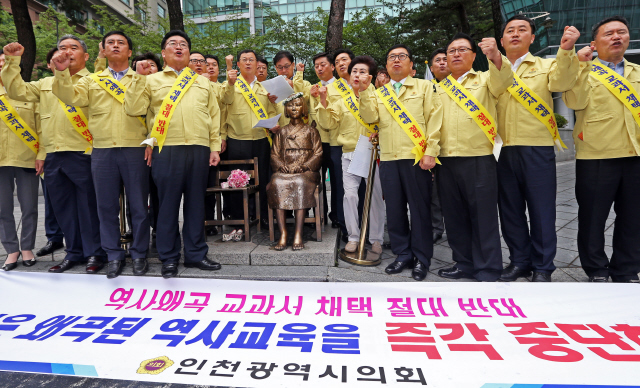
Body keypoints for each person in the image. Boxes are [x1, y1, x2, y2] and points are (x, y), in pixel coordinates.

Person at [51, 31, 152, 279]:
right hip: (103, 150)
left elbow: (145, 112)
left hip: (134, 148)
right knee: (106, 207)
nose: (116, 46)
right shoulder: (91, 80)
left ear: (129, 52)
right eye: (110, 44)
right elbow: (69, 98)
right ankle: (114, 255)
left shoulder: (143, 79)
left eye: (121, 43)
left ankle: (139, 253)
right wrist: (62, 72)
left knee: (139, 206)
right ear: (103, 51)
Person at [2, 36, 106, 274]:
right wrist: (13, 60)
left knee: (89, 207)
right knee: (63, 208)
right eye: (62, 48)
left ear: (86, 56)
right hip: (54, 155)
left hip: (84, 152)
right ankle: (74, 253)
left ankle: (95, 253)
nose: (66, 52)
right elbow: (17, 90)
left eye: (73, 48)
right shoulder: (45, 83)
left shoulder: (95, 81)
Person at [124, 30, 222, 279]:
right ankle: (168, 257)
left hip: (199, 148)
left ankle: (196, 254)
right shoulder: (151, 80)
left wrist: (213, 147)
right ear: (164, 53)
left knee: (196, 204)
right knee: (166, 206)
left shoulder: (202, 81)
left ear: (189, 53)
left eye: (183, 45)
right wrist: (137, 77)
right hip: (166, 149)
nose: (179, 47)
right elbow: (133, 108)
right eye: (172, 44)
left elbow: (213, 116)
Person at [497, 16, 581, 283]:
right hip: (502, 150)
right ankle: (519, 262)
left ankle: (543, 266)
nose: (515, 34)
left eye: (522, 30)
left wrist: (566, 49)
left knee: (541, 210)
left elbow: (561, 83)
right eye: (510, 31)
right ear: (501, 40)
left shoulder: (548, 65)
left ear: (532, 38)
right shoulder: (492, 71)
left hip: (537, 148)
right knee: (510, 211)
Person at [563, 16, 640, 283]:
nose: (616, 37)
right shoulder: (584, 71)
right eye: (609, 33)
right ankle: (595, 268)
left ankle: (627, 269)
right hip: (596, 155)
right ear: (595, 43)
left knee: (633, 217)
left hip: (635, 155)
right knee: (593, 217)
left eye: (622, 32)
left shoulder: (638, 73)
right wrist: (579, 65)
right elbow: (573, 100)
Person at [360, 44, 444, 281]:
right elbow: (370, 118)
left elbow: (435, 121)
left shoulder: (425, 87)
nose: (396, 60)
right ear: (386, 66)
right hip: (388, 159)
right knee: (395, 211)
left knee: (419, 211)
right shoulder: (378, 93)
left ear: (410, 65)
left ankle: (422, 259)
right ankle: (402, 255)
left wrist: (431, 151)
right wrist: (366, 92)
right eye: (391, 58)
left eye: (402, 57)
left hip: (417, 159)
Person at [434, 33, 513, 282]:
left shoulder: (486, 79)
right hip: (446, 160)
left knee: (484, 216)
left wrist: (496, 56)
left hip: (479, 158)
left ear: (473, 55)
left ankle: (488, 268)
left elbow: (504, 80)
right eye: (451, 51)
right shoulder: (438, 88)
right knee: (454, 216)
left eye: (462, 49)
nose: (456, 54)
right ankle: (464, 264)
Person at [317, 55, 384, 256]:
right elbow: (328, 124)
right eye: (354, 71)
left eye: (362, 72)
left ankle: (376, 239)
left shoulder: (379, 96)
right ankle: (353, 236)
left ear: (370, 77)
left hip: (372, 154)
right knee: (350, 196)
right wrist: (322, 101)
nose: (357, 75)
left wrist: (363, 93)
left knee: (374, 198)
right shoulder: (342, 99)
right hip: (348, 153)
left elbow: (374, 117)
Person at [222, 49, 278, 231]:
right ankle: (240, 219)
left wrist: (273, 119)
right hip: (237, 139)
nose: (248, 63)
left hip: (261, 139)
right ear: (238, 64)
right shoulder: (230, 84)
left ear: (257, 65)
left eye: (251, 60)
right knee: (238, 181)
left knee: (263, 179)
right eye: (244, 60)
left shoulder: (265, 89)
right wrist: (230, 83)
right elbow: (224, 102)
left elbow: (272, 113)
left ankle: (263, 217)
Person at [0, 50, 44, 270]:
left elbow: (41, 127)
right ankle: (11, 250)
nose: (2, 67)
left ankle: (27, 247)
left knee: (29, 207)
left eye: (5, 63)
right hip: (0, 162)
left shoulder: (27, 94)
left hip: (27, 158)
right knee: (2, 209)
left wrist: (41, 154)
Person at [268, 93, 323, 251]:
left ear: (304, 108)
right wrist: (280, 165)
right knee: (277, 182)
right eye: (290, 105)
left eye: (298, 105)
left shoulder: (311, 131)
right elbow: (274, 154)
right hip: (285, 170)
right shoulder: (282, 132)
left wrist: (304, 166)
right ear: (286, 109)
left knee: (299, 182)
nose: (294, 108)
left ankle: (298, 233)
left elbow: (318, 153)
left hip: (306, 172)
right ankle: (283, 233)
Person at [35, 47, 65, 257]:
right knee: (52, 199)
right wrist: (41, 153)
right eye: (54, 60)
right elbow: (38, 125)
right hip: (50, 152)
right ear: (48, 65)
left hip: (79, 151)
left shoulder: (83, 84)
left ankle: (79, 240)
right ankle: (54, 238)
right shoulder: (40, 87)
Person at [325, 48, 356, 242]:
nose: (341, 64)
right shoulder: (330, 89)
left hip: (363, 143)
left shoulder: (365, 85)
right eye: (337, 62)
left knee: (362, 189)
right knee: (341, 185)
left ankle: (365, 224)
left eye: (344, 60)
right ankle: (345, 226)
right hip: (338, 142)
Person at [309, 52, 338, 227]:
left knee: (337, 181)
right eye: (317, 66)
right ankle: (318, 215)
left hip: (335, 141)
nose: (319, 68)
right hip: (317, 143)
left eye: (323, 65)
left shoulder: (342, 87)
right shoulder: (312, 89)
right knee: (315, 181)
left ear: (332, 67)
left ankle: (336, 216)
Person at [428, 48, 450, 244]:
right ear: (432, 67)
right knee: (434, 193)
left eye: (446, 59)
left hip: (456, 148)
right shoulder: (427, 89)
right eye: (438, 60)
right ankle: (436, 227)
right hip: (434, 148)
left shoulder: (463, 87)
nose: (443, 63)